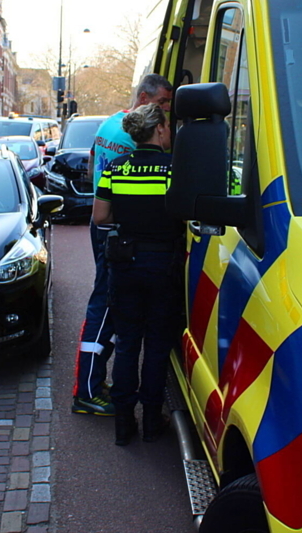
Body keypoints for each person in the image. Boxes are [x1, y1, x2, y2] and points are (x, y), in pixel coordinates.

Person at [70, 73, 174, 418]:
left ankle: (95, 382)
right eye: (161, 106)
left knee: (110, 306)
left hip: (104, 223)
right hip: (119, 232)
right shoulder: (138, 139)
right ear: (145, 101)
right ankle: (86, 389)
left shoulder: (109, 125)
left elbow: (90, 166)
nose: (165, 116)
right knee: (103, 306)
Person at [92, 104, 183, 446]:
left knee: (128, 344)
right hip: (163, 265)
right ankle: (151, 422)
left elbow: (100, 217)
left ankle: (123, 423)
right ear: (159, 129)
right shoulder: (174, 170)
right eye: (168, 126)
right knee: (157, 345)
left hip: (124, 264)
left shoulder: (116, 169)